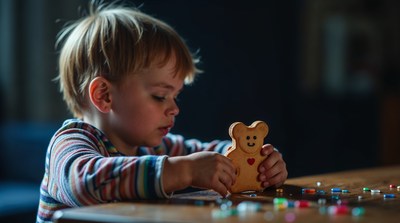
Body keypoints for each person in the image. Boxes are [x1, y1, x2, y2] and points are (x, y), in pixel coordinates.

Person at [36, 2, 287, 222]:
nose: (175, 109)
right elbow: (85, 183)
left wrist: (252, 161)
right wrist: (185, 171)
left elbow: (207, 154)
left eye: (175, 96)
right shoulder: (70, 143)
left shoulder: (154, 148)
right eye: (160, 96)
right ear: (104, 95)